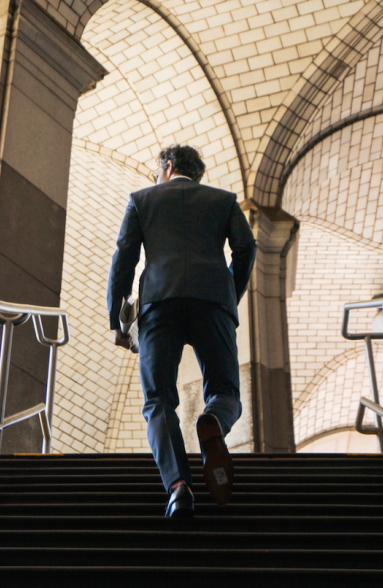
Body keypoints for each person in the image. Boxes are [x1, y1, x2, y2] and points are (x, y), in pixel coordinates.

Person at [106, 144, 256, 517]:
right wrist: (227, 296)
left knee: (158, 399)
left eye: (160, 170)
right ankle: (213, 421)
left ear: (168, 166)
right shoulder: (224, 200)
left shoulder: (142, 199)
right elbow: (246, 247)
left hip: (161, 304)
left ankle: (178, 487)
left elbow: (123, 259)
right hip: (213, 306)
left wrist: (117, 320)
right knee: (225, 391)